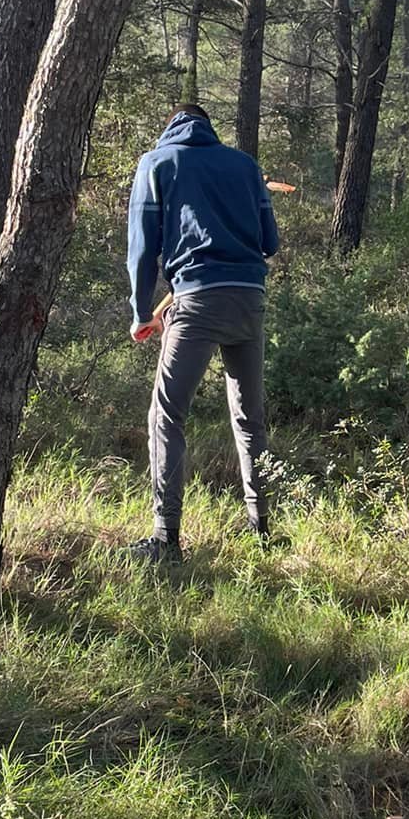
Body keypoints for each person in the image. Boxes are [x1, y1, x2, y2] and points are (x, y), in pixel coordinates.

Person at [125, 103, 279, 564]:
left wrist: (139, 313)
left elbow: (141, 246)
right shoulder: (245, 166)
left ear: (169, 126)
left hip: (195, 300)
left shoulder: (158, 163)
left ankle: (166, 538)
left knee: (166, 416)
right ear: (208, 128)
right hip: (249, 298)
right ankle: (262, 527)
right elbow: (269, 243)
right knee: (250, 417)